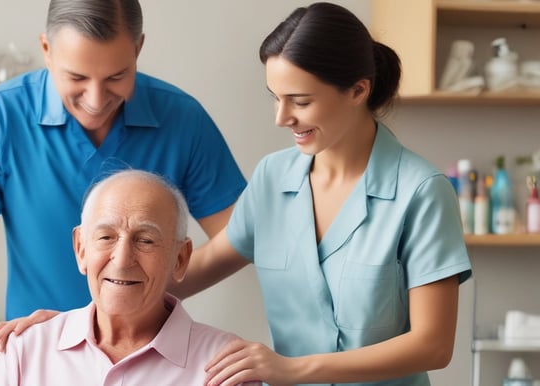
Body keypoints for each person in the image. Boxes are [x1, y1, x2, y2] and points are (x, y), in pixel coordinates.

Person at [0, 0, 245, 385]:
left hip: (152, 355)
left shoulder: (183, 119)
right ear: (46, 49)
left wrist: (130, 293)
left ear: (139, 49)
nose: (95, 99)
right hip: (40, 358)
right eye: (76, 77)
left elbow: (240, 236)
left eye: (116, 77)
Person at [179, 3, 471, 386]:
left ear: (358, 90)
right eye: (276, 97)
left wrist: (294, 369)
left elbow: (434, 345)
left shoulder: (421, 193)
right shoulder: (272, 178)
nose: (281, 118)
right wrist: (113, 286)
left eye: (300, 102)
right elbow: (195, 272)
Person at [0, 170, 259, 385]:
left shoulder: (227, 366)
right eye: (105, 237)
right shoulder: (27, 349)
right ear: (81, 249)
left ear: (180, 258)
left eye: (146, 240)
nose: (122, 259)